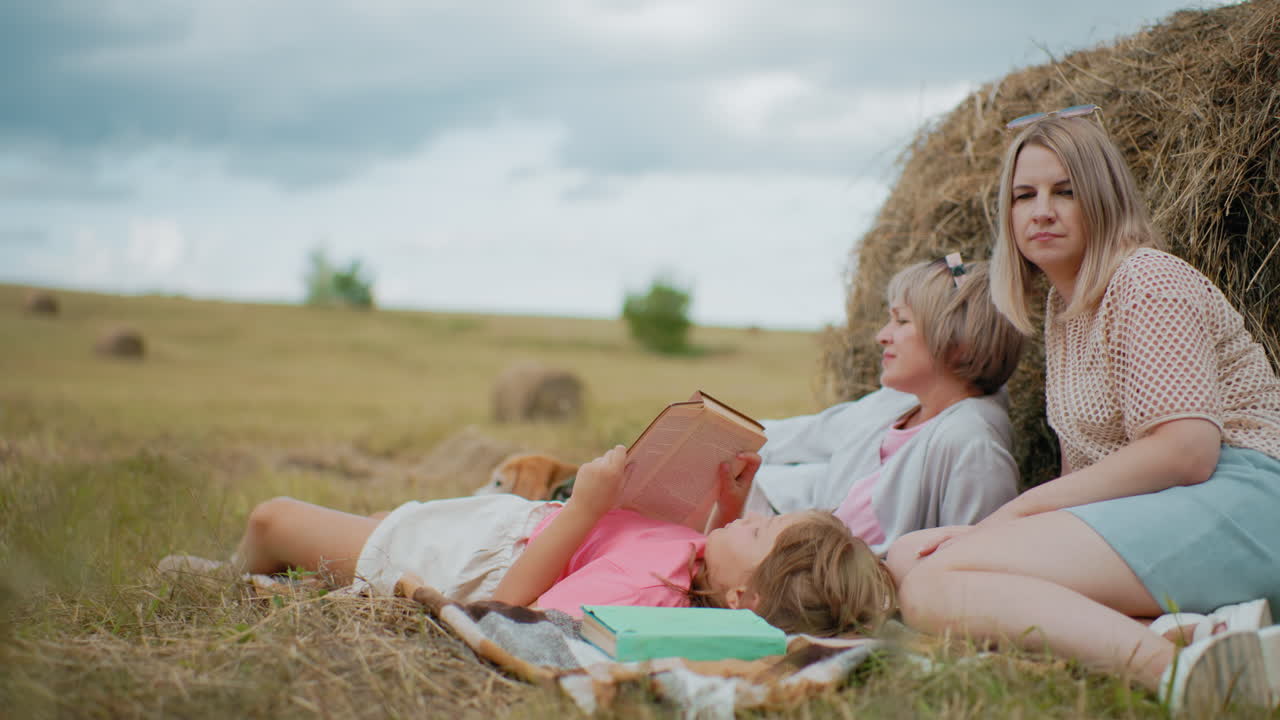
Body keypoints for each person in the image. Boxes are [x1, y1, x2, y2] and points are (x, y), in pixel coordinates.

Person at [887, 110, 1280, 713]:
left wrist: (1012, 518)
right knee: (912, 557)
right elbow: (1087, 478)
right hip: (1174, 510)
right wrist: (992, 536)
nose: (1041, 210)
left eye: (1065, 191)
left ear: (1103, 198)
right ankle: (1201, 630)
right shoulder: (1066, 311)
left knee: (937, 583)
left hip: (1249, 497)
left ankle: (1183, 675)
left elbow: (1186, 451)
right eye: (1025, 195)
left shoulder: (1145, 281)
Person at [206, 446, 897, 638]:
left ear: (743, 596)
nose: (754, 519)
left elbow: (505, 614)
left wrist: (585, 505)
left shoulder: (646, 592)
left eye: (763, 529)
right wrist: (732, 505)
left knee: (273, 517)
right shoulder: (697, 568)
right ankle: (277, 583)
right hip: (486, 528)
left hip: (464, 559)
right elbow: (697, 554)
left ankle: (223, 579)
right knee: (331, 540)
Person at [744, 258, 1025, 552]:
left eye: (901, 320)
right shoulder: (899, 403)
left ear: (959, 341)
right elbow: (809, 434)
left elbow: (970, 561)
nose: (882, 336)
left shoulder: (972, 446)